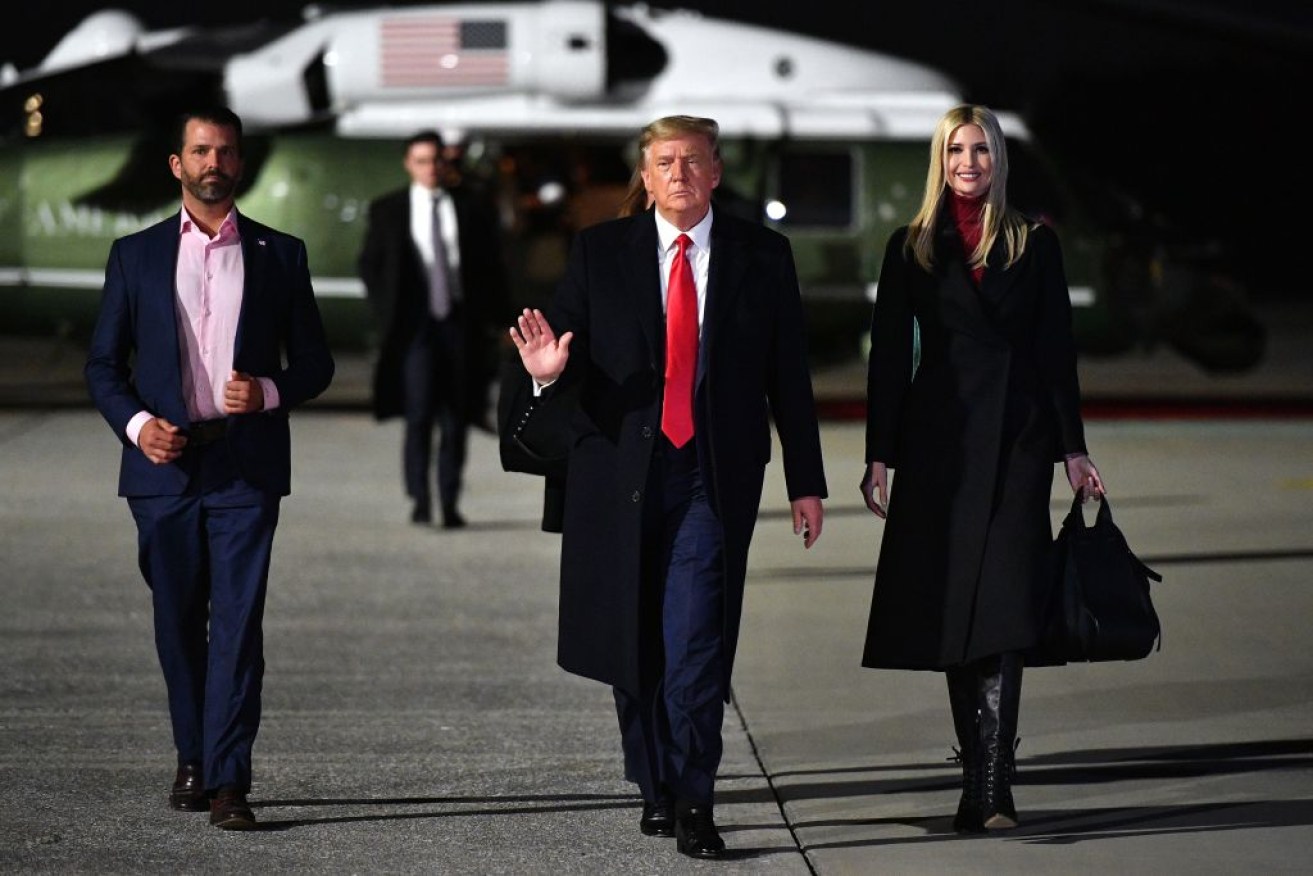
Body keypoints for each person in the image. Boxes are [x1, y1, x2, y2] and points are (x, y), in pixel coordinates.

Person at [507, 115, 828, 859]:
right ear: (644, 177)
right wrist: (547, 373)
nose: (677, 173)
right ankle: (652, 782)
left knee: (695, 645)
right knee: (634, 640)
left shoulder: (761, 255)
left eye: (691, 161)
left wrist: (806, 482)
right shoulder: (600, 252)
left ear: (714, 172)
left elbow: (790, 377)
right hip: (619, 476)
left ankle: (692, 801)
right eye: (662, 162)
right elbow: (561, 354)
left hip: (709, 477)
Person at [84, 107, 335, 830]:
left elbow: (315, 362)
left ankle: (228, 779)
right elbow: (103, 365)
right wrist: (137, 429)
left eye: (225, 151)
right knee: (175, 621)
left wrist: (269, 391)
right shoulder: (134, 254)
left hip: (244, 467)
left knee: (237, 624)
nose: (213, 162)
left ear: (240, 163)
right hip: (161, 469)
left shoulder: (279, 254)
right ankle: (190, 754)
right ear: (177, 164)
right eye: (200, 151)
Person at [858, 104, 1104, 833]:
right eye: (956, 150)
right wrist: (880, 453)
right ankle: (978, 771)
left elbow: (1056, 353)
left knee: (998, 608)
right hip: (939, 447)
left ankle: (992, 785)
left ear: (999, 160)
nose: (969, 162)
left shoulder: (1034, 244)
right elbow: (886, 361)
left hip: (1018, 442)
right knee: (949, 613)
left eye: (981, 150)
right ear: (941, 160)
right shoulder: (910, 248)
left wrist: (1072, 448)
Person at [358, 129, 510, 528]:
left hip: (460, 324)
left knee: (457, 416)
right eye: (422, 161)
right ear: (409, 164)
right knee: (420, 412)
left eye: (437, 160)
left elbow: (491, 268)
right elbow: (371, 264)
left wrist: (499, 320)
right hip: (415, 327)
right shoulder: (388, 209)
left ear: (447, 163)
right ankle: (420, 498)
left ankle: (449, 498)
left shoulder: (472, 208)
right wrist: (386, 310)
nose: (430, 168)